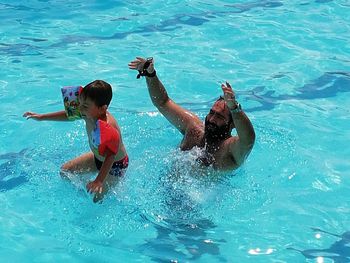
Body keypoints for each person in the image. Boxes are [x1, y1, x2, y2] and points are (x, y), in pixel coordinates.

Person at [128, 57, 255, 170]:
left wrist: (234, 108)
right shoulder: (194, 129)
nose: (211, 119)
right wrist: (151, 74)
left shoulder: (230, 150)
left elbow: (248, 139)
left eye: (219, 117)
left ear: (232, 124)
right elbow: (163, 102)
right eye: (212, 113)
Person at [23, 80, 128, 202]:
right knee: (66, 171)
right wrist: (42, 117)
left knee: (96, 200)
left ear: (102, 109)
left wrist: (99, 180)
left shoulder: (108, 126)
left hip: (114, 166)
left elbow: (110, 156)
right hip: (97, 158)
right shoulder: (88, 112)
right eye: (81, 103)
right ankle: (82, 194)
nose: (81, 108)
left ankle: (95, 192)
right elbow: (70, 115)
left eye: (85, 106)